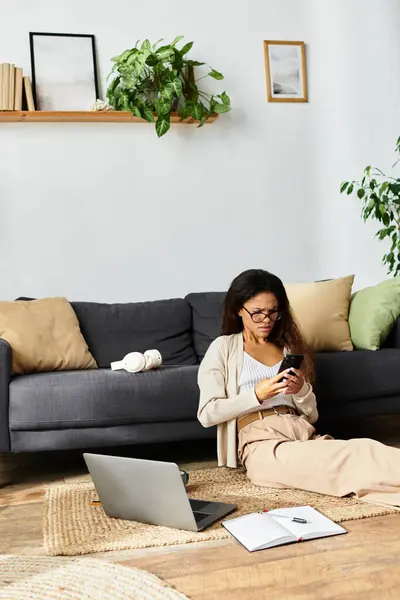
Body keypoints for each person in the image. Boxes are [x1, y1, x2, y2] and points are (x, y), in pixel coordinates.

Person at [197, 269, 400, 507]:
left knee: (359, 450)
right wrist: (256, 395)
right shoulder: (222, 348)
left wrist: (301, 390)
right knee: (350, 458)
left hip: (303, 433)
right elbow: (207, 414)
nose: (266, 320)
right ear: (239, 310)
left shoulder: (286, 349)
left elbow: (312, 415)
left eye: (273, 312)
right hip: (261, 444)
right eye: (257, 313)